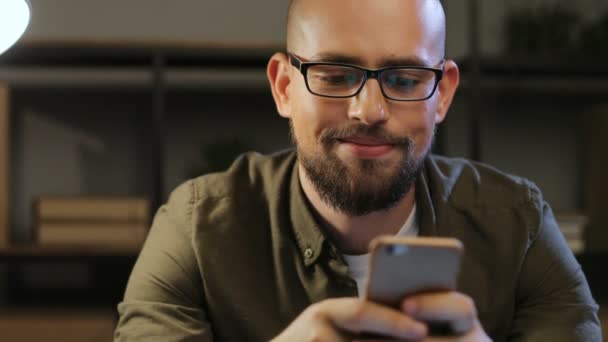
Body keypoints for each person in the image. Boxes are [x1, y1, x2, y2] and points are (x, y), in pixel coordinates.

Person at [114, 0, 602, 341]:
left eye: (406, 79)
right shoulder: (197, 229)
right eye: (335, 76)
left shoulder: (519, 225)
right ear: (284, 87)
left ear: (444, 94)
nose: (368, 111)